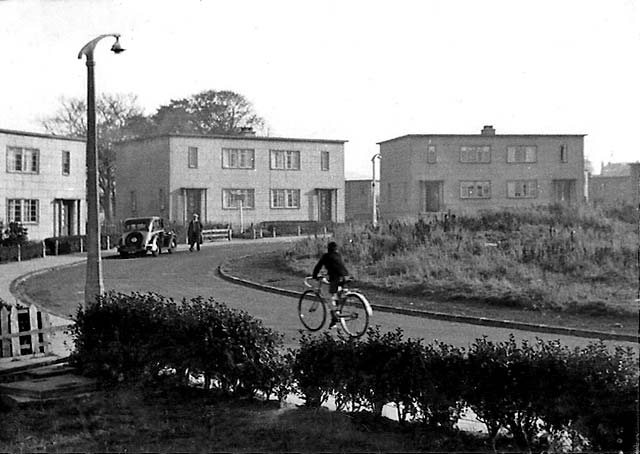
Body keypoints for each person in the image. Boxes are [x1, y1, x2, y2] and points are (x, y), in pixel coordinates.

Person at [312, 241, 350, 327]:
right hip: (345, 276)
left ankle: (335, 316)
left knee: (330, 297)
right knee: (338, 295)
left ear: (328, 249)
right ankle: (334, 318)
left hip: (335, 278)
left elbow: (318, 266)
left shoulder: (326, 256)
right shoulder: (338, 255)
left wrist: (314, 275)